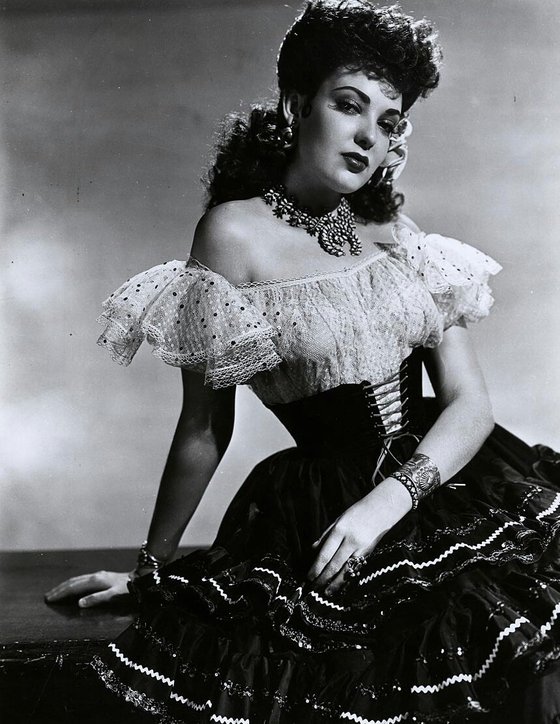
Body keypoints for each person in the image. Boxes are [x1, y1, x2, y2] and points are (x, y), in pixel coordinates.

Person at [45, 1, 560, 721]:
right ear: (296, 105)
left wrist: (388, 502)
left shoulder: (395, 230)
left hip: (446, 485)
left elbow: (468, 405)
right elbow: (203, 429)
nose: (369, 136)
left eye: (389, 121)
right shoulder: (231, 236)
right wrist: (151, 573)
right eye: (350, 106)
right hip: (316, 513)